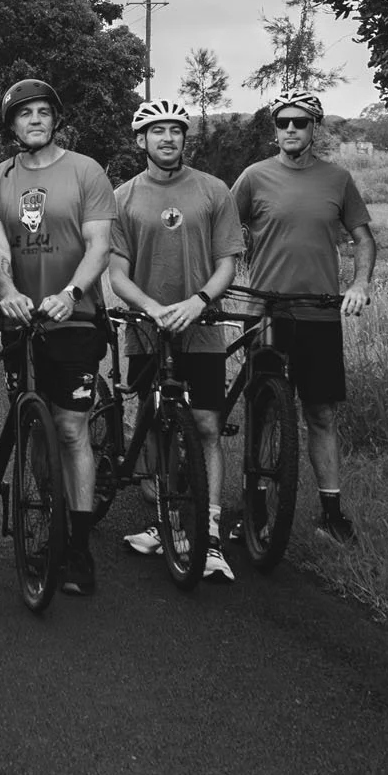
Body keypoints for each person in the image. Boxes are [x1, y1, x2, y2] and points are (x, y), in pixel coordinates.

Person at [0, 78, 117, 595]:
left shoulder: (86, 171)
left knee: (72, 429)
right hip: (22, 318)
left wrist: (73, 293)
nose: (35, 119)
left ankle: (78, 548)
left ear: (55, 119)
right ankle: (46, 517)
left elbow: (99, 246)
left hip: (75, 319)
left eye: (42, 111)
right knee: (36, 426)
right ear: (11, 125)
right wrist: (7, 289)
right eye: (24, 113)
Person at [230, 90, 376, 542]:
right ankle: (253, 507)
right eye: (283, 123)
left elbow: (363, 239)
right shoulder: (254, 177)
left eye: (300, 122)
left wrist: (360, 284)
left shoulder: (338, 179)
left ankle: (331, 515)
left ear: (315, 128)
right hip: (266, 311)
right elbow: (222, 231)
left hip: (319, 312)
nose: (290, 130)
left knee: (321, 413)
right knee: (263, 411)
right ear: (274, 130)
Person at [107, 99, 243, 581]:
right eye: (156, 130)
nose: (167, 138)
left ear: (185, 139)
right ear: (140, 140)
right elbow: (117, 272)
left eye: (175, 130)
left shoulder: (214, 190)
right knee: (158, 424)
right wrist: (153, 308)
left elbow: (228, 261)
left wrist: (197, 301)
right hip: (148, 329)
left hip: (201, 327)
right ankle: (165, 521)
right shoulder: (121, 197)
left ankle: (207, 536)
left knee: (206, 426)